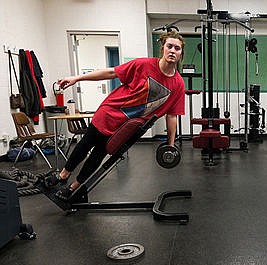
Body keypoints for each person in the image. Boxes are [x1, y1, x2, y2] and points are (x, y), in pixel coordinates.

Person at [44, 31, 185, 200]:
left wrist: (170, 145)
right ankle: (63, 176)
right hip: (109, 113)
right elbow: (111, 73)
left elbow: (172, 116)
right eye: (169, 46)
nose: (172, 51)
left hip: (125, 128)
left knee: (98, 155)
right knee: (84, 145)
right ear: (162, 48)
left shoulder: (178, 84)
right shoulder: (143, 65)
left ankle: (74, 188)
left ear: (180, 53)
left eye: (177, 48)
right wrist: (78, 78)